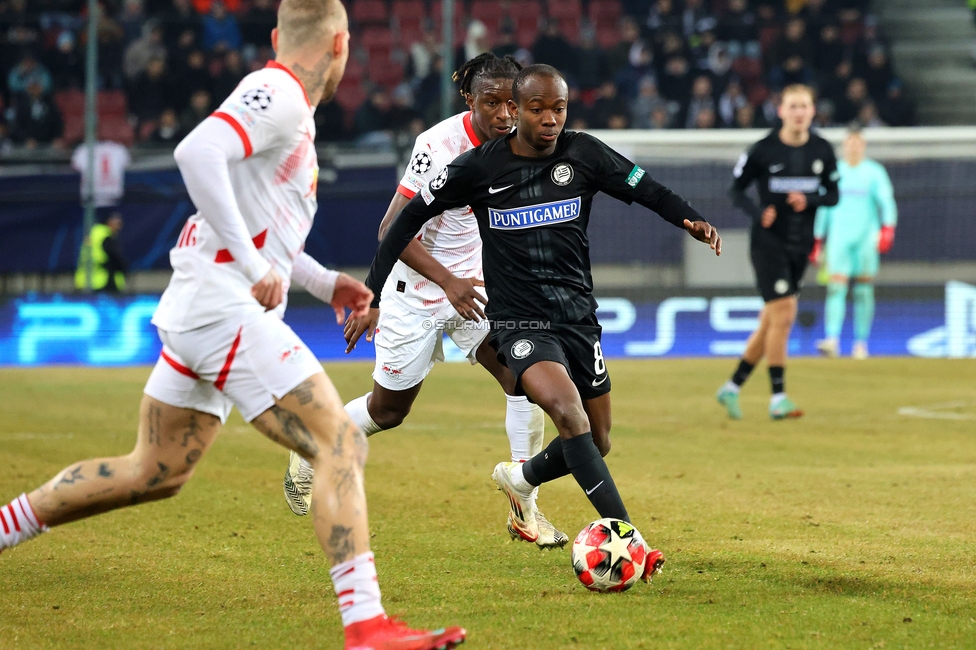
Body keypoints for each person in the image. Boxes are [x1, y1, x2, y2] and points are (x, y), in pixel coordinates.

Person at [0, 2, 466, 649]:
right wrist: (250, 265)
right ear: (339, 45)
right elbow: (196, 153)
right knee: (339, 443)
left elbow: (267, 233)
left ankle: (3, 527)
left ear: (279, 36)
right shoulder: (276, 90)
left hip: (205, 307)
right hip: (223, 306)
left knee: (155, 470)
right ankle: (367, 626)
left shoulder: (287, 111)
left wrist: (324, 282)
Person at [361, 64, 722, 581]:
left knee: (596, 440)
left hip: (578, 316)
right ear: (517, 110)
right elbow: (403, 222)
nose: (549, 119)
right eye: (537, 109)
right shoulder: (478, 167)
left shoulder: (584, 153)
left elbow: (647, 189)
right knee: (566, 413)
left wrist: (689, 218)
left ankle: (521, 477)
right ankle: (630, 540)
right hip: (519, 321)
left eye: (558, 109)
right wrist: (372, 294)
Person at [283, 52, 569, 549]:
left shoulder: (524, 143)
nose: (504, 113)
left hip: (479, 290)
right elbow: (390, 228)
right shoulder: (438, 145)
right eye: (492, 102)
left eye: (511, 102)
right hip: (415, 289)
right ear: (469, 100)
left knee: (524, 377)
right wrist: (423, 287)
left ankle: (526, 506)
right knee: (389, 411)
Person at [717, 84, 839, 420]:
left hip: (801, 245)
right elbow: (736, 190)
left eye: (804, 106)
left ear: (813, 111)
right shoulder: (763, 150)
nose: (799, 112)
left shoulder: (823, 150)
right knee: (784, 314)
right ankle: (778, 398)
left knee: (772, 320)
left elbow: (833, 194)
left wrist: (810, 199)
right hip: (768, 243)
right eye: (793, 106)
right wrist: (759, 213)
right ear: (781, 110)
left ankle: (731, 387)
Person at [812, 129, 897, 359]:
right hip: (839, 238)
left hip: (865, 239)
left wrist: (887, 228)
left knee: (863, 291)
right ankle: (832, 340)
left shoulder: (874, 172)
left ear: (863, 146)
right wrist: (817, 238)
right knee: (836, 288)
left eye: (857, 144)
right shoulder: (834, 172)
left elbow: (886, 202)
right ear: (844, 147)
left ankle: (861, 343)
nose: (853, 148)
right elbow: (823, 207)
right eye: (849, 144)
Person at [75, 213, 128, 293]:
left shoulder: (93, 234)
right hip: (101, 283)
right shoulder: (106, 237)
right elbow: (116, 257)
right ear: (109, 223)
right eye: (117, 224)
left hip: (83, 282)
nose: (119, 227)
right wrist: (124, 268)